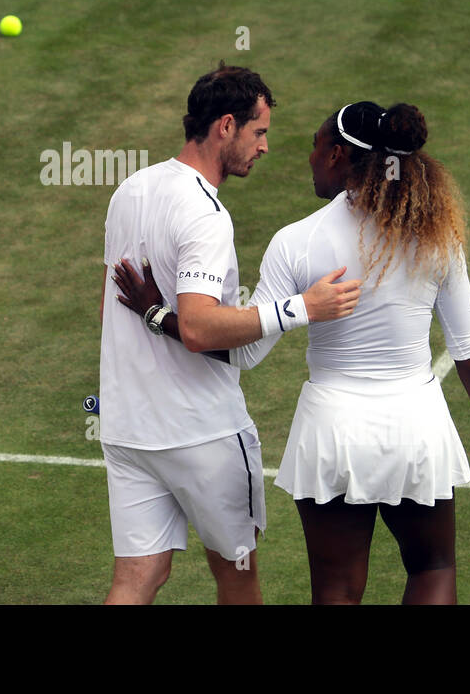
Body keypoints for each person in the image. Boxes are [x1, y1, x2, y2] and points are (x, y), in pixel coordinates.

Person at [113, 101, 470, 604]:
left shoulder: (296, 242)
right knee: (432, 568)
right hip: (418, 430)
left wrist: (160, 316)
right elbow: (469, 348)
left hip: (334, 435)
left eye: (316, 146)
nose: (309, 157)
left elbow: (245, 353)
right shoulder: (436, 235)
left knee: (337, 590)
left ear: (338, 155)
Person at [98, 64, 361, 605]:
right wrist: (300, 307)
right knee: (239, 580)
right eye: (258, 132)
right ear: (225, 126)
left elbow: (117, 306)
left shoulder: (131, 190)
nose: (264, 147)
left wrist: (154, 319)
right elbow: (197, 326)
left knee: (137, 578)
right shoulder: (205, 213)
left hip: (128, 430)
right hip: (202, 433)